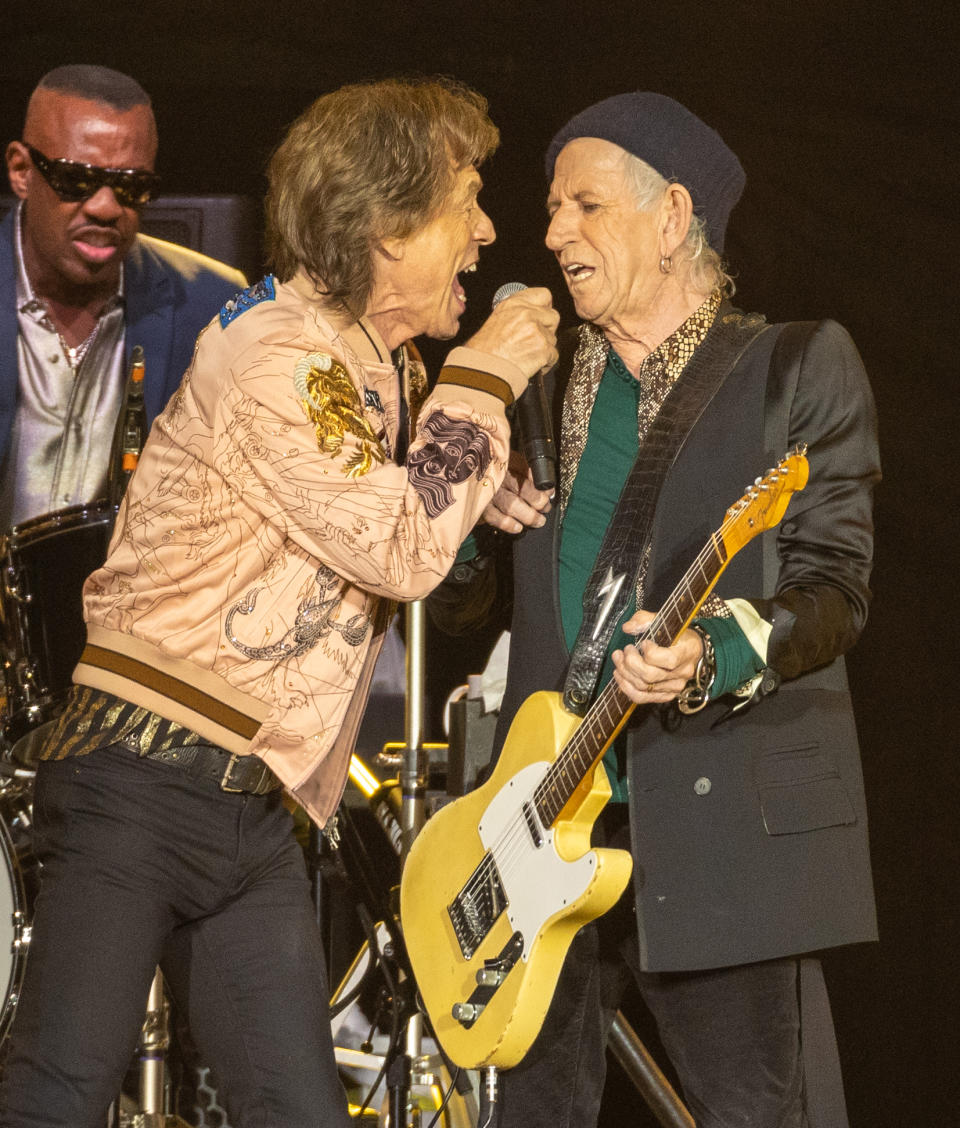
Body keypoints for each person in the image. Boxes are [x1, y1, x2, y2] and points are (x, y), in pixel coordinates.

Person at [0, 76, 558, 1127]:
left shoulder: (373, 369)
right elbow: (396, 545)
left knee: (295, 1112)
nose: (488, 233)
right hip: (142, 779)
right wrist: (482, 377)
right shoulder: (280, 354)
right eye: (467, 201)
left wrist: (484, 481)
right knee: (57, 1096)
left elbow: (415, 544)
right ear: (390, 229)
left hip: (252, 811)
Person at [434, 92, 879, 1128]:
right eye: (550, 210)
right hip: (545, 827)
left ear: (673, 216)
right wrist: (472, 515)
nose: (552, 235)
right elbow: (457, 606)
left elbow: (836, 586)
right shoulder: (534, 387)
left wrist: (708, 655)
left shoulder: (795, 368)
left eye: (584, 205)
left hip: (721, 826)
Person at [1, 64, 248, 529]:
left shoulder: (213, 304)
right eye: (76, 179)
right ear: (20, 170)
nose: (106, 207)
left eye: (132, 186)